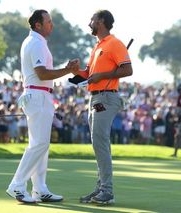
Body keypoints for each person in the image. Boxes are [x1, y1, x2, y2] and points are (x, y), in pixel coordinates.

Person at [6, 9, 79, 204]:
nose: (51, 25)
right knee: (39, 144)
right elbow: (42, 74)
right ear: (38, 25)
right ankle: (17, 185)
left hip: (40, 95)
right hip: (37, 95)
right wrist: (67, 70)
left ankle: (40, 189)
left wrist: (65, 67)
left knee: (41, 145)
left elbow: (43, 72)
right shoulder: (36, 42)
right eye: (48, 22)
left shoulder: (37, 42)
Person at [75, 10, 133, 204]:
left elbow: (127, 69)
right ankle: (101, 188)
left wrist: (103, 76)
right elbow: (89, 74)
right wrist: (76, 71)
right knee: (98, 143)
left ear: (100, 22)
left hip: (107, 98)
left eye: (92, 20)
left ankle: (107, 191)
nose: (89, 23)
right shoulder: (98, 46)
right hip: (96, 98)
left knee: (100, 142)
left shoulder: (114, 43)